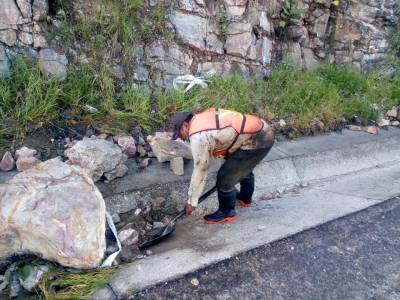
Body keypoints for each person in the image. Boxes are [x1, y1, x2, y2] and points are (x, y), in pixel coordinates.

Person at [170, 108, 275, 224]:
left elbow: (201, 169)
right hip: (261, 130)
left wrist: (192, 201)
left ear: (185, 125)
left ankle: (226, 212)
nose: (180, 137)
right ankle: (245, 199)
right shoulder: (199, 119)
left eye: (179, 133)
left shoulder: (197, 135)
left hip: (258, 139)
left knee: (224, 177)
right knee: (242, 168)